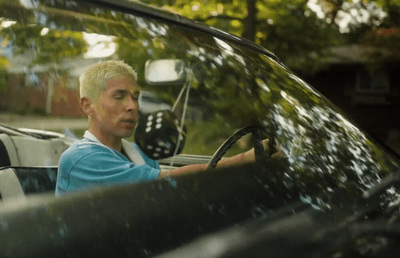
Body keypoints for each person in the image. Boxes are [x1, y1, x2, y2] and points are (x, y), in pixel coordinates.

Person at [55, 60, 279, 196]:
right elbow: (167, 182)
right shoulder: (80, 159)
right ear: (88, 105)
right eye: (119, 97)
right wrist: (243, 159)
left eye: (135, 97)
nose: (132, 106)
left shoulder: (136, 152)